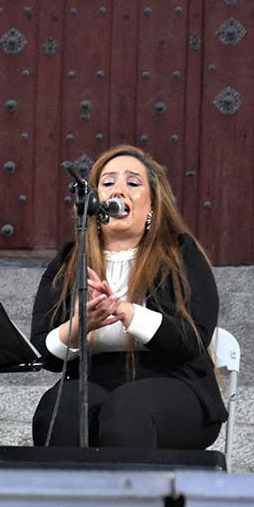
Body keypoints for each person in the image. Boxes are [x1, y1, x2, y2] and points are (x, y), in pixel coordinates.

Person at [29, 145, 226, 449]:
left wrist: (127, 312)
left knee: (127, 409)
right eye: (107, 183)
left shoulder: (180, 253)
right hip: (93, 380)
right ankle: (70, 497)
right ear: (93, 203)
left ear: (153, 205)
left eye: (133, 183)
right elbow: (44, 353)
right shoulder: (71, 260)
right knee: (60, 408)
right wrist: (80, 326)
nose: (118, 191)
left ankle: (133, 498)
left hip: (176, 384)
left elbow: (194, 340)